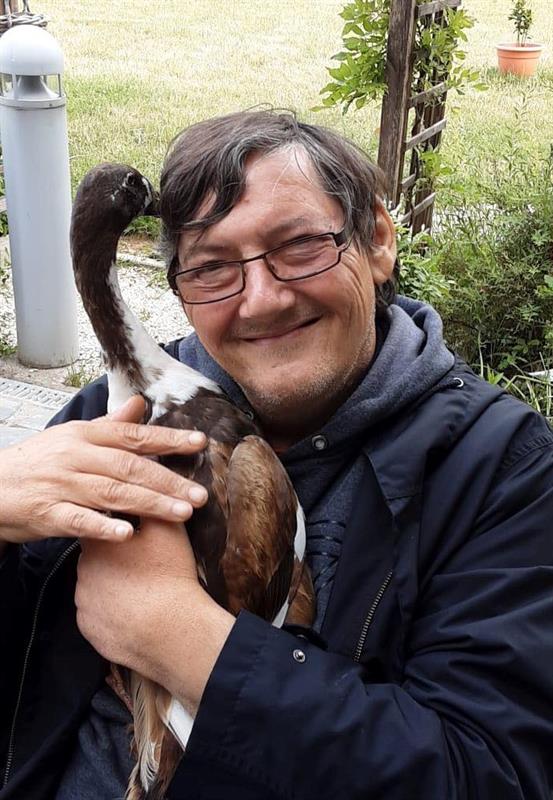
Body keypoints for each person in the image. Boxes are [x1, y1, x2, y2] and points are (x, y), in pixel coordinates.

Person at [1, 110, 552, 800]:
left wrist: (177, 635)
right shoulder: (110, 416)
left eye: (298, 246)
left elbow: (487, 774)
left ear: (377, 241)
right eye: (212, 268)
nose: (261, 300)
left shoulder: (502, 473)